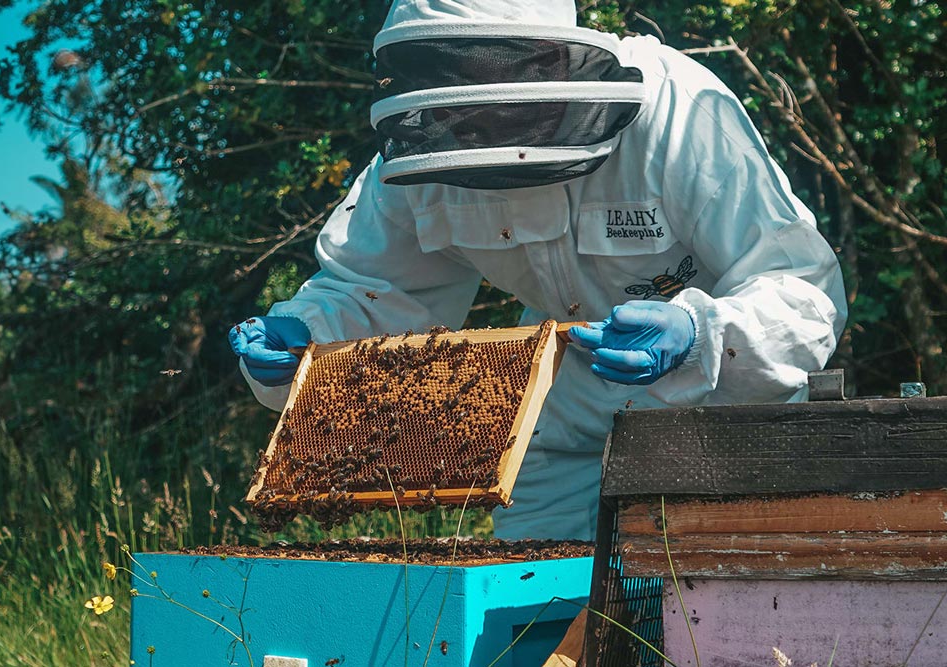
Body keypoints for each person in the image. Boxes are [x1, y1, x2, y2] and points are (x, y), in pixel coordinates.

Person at [228, 0, 847, 540]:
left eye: (484, 75)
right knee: (534, 613)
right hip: (559, 418)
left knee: (710, 613)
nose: (471, 120)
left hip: (720, 402)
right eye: (450, 79)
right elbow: (375, 293)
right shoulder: (422, 153)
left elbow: (802, 287)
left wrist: (701, 336)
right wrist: (309, 338)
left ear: (549, 57)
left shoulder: (681, 112)